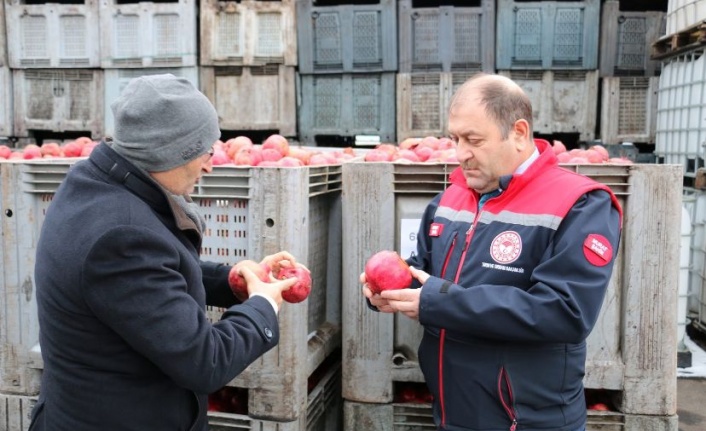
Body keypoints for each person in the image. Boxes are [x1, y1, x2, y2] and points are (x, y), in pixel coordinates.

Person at [29, 74, 302, 431]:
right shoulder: (120, 236)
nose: (210, 164)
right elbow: (205, 361)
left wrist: (234, 281)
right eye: (204, 150)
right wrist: (262, 306)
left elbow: (148, 276)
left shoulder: (92, 184)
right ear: (170, 151)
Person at [362, 73, 623, 431]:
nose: (460, 153)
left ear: (518, 132)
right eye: (455, 138)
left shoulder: (580, 205)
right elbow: (423, 272)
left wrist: (439, 301)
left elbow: (565, 312)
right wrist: (387, 290)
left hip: (525, 420)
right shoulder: (450, 199)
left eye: (474, 139)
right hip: (453, 412)